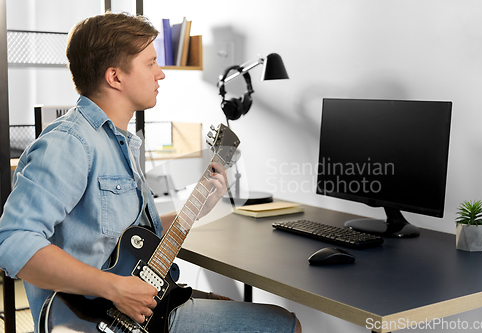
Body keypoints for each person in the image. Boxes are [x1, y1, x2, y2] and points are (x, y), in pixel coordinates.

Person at [0, 12, 301, 333]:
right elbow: (13, 242)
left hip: (146, 304)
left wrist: (197, 208)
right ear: (115, 77)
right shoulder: (69, 143)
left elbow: (131, 240)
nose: (161, 74)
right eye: (150, 63)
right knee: (283, 324)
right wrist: (113, 287)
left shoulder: (120, 143)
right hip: (94, 318)